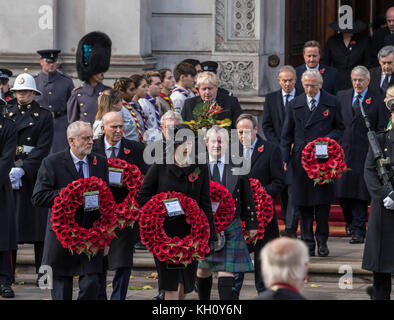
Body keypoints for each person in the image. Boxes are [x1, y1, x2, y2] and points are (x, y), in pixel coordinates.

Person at [137, 124, 217, 300]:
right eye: (182, 144)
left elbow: (205, 203)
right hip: (165, 234)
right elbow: (142, 197)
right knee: (170, 284)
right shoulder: (160, 165)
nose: (186, 148)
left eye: (189, 143)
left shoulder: (200, 166)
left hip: (191, 234)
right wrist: (161, 207)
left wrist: (211, 236)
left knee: (185, 285)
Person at [31, 121, 109, 300]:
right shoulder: (52, 162)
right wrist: (71, 194)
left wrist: (107, 237)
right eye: (85, 138)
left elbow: (106, 200)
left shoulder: (100, 162)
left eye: (91, 138)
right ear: (71, 140)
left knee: (92, 283)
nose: (90, 142)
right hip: (62, 236)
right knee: (61, 288)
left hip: (91, 234)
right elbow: (39, 197)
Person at [281, 69, 345, 257]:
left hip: (324, 160)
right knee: (304, 204)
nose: (309, 89)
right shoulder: (294, 104)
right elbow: (286, 135)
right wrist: (285, 158)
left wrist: (326, 141)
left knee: (323, 205)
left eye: (313, 85)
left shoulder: (332, 102)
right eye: (306, 85)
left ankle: (322, 241)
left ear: (320, 84)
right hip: (301, 160)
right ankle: (307, 242)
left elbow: (340, 127)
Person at [196, 125, 258, 300]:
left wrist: (252, 223)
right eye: (213, 141)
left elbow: (247, 196)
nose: (217, 145)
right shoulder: (197, 165)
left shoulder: (238, 164)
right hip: (204, 225)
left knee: (227, 270)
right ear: (206, 143)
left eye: (221, 141)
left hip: (230, 223)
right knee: (202, 269)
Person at [92, 112, 147, 300]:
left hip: (125, 214)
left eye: (121, 126)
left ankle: (118, 297)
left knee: (123, 261)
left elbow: (145, 180)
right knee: (99, 259)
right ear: (103, 128)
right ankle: (100, 296)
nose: (118, 131)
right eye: (113, 127)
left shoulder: (137, 149)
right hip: (97, 214)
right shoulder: (93, 148)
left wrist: (131, 184)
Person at [6, 70, 54, 285]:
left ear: (34, 93)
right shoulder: (6, 113)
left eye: (25, 91)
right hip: (8, 175)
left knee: (41, 232)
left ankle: (44, 278)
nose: (21, 95)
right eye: (18, 91)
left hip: (33, 175)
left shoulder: (43, 115)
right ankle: (7, 277)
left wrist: (23, 168)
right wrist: (8, 167)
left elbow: (43, 147)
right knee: (9, 229)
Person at [337, 66, 389, 244]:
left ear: (368, 81)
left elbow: (381, 126)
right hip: (343, 152)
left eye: (361, 80)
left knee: (360, 194)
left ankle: (359, 230)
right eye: (354, 80)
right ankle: (350, 223)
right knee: (343, 193)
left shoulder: (377, 99)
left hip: (364, 153)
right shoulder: (341, 96)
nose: (357, 83)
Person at [234, 113, 285, 296]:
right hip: (240, 214)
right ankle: (233, 291)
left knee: (263, 256)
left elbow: (279, 182)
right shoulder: (231, 152)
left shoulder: (271, 150)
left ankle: (263, 292)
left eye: (247, 131)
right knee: (238, 255)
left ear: (256, 129)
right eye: (240, 132)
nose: (243, 136)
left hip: (264, 214)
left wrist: (260, 194)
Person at [262, 65, 299, 237]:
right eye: (284, 80)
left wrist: (293, 144)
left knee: (293, 188)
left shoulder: (301, 97)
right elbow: (267, 126)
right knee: (282, 188)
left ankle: (291, 227)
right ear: (279, 81)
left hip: (297, 151)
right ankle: (287, 221)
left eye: (290, 80)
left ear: (296, 80)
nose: (287, 83)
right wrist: (280, 146)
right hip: (277, 152)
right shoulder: (271, 99)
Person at [362, 98, 394, 300]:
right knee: (381, 274)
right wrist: (386, 195)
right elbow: (369, 173)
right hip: (383, 211)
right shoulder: (380, 140)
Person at [67, 31, 112, 125]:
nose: (102, 73)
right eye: (98, 70)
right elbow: (73, 123)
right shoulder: (78, 94)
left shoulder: (109, 92)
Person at [35, 49, 75, 153]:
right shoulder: (34, 81)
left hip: (61, 125)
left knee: (60, 156)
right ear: (41, 62)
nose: (51, 65)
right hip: (39, 125)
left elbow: (72, 106)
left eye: (53, 62)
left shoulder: (66, 81)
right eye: (48, 62)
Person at [0, 97, 17, 298]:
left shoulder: (7, 126)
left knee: (3, 236)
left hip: (1, 185)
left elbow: (7, 157)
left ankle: (4, 279)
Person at [323, 19, 370, 90]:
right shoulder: (332, 41)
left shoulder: (364, 41)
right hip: (336, 83)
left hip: (357, 84)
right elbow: (326, 63)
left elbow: (368, 64)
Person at [113, 77, 143, 143]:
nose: (135, 92)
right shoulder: (118, 108)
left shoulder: (132, 105)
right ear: (121, 91)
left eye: (135, 89)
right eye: (131, 90)